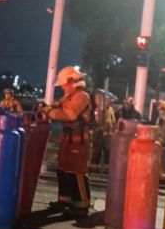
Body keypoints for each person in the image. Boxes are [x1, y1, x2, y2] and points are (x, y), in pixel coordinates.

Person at [41, 66, 93, 217]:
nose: (63, 87)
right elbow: (58, 106)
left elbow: (69, 115)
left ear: (71, 82)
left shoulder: (81, 97)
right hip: (68, 142)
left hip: (79, 143)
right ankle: (65, 201)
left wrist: (49, 111)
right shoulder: (69, 96)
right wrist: (48, 107)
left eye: (64, 84)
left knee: (76, 173)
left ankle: (81, 206)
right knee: (63, 170)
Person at [91, 89, 116, 169]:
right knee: (97, 151)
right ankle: (94, 167)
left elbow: (112, 121)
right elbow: (98, 120)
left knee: (107, 152)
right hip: (100, 133)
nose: (110, 101)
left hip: (107, 134)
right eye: (109, 100)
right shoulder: (99, 109)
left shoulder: (110, 109)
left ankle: (106, 167)